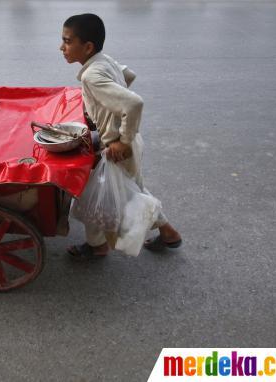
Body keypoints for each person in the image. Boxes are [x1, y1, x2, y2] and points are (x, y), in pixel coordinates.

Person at [60, 13, 182, 259]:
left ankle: (99, 245)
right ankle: (166, 234)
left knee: (110, 194)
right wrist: (110, 108)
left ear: (88, 47)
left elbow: (134, 103)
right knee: (119, 191)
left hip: (119, 147)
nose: (62, 47)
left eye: (67, 41)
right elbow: (128, 75)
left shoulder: (91, 75)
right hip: (128, 143)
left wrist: (121, 140)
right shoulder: (103, 61)